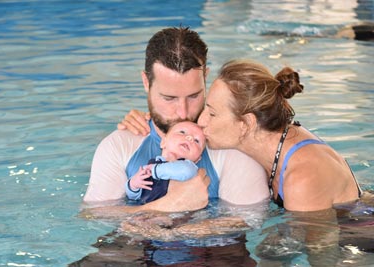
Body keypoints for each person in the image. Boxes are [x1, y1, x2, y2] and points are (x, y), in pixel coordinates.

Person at [83, 27, 270, 212]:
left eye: (193, 96)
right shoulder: (119, 145)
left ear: (205, 77)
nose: (183, 113)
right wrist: (169, 206)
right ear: (146, 83)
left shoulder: (231, 145)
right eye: (169, 98)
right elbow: (95, 217)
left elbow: (249, 221)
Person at [197, 59, 363, 212]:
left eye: (212, 114)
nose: (201, 121)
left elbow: (319, 244)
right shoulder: (277, 144)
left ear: (246, 124)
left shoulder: (302, 178)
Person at [126, 121, 206, 204]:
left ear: (197, 159)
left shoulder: (190, 167)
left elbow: (185, 171)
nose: (190, 138)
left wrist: (155, 170)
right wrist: (133, 185)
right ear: (163, 142)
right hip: (147, 212)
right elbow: (133, 197)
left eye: (197, 141)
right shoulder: (151, 165)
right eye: (182, 132)